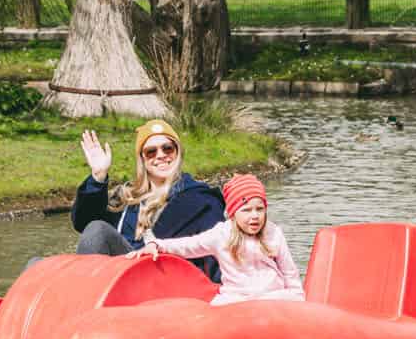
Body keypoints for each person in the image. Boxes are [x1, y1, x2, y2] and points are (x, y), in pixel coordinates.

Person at [72, 119, 226, 282]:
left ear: (178, 152)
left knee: (98, 230)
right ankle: (84, 295)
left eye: (167, 148)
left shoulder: (200, 200)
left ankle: (84, 297)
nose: (161, 155)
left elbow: (218, 251)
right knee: (96, 230)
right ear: (142, 159)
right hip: (124, 274)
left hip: (169, 282)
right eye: (151, 151)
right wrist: (98, 177)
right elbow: (85, 224)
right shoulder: (127, 197)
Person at [129, 174, 304, 305]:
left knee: (288, 299)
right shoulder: (221, 235)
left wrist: (298, 298)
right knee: (213, 310)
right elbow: (189, 246)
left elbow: (289, 271)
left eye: (260, 209)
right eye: (246, 210)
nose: (254, 216)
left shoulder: (273, 233)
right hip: (236, 297)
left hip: (271, 295)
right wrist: (157, 244)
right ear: (233, 213)